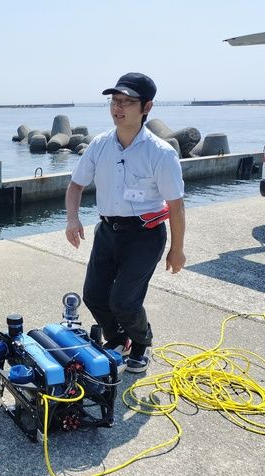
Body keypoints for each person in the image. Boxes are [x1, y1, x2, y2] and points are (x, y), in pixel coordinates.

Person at [65, 73, 186, 373]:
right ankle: (119, 338)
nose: (118, 108)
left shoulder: (160, 153)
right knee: (93, 294)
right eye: (115, 101)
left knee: (124, 301)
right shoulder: (100, 144)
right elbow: (75, 186)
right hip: (107, 231)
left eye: (127, 102)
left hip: (145, 235)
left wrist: (177, 249)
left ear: (146, 107)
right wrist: (72, 218)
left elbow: (176, 205)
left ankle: (142, 342)